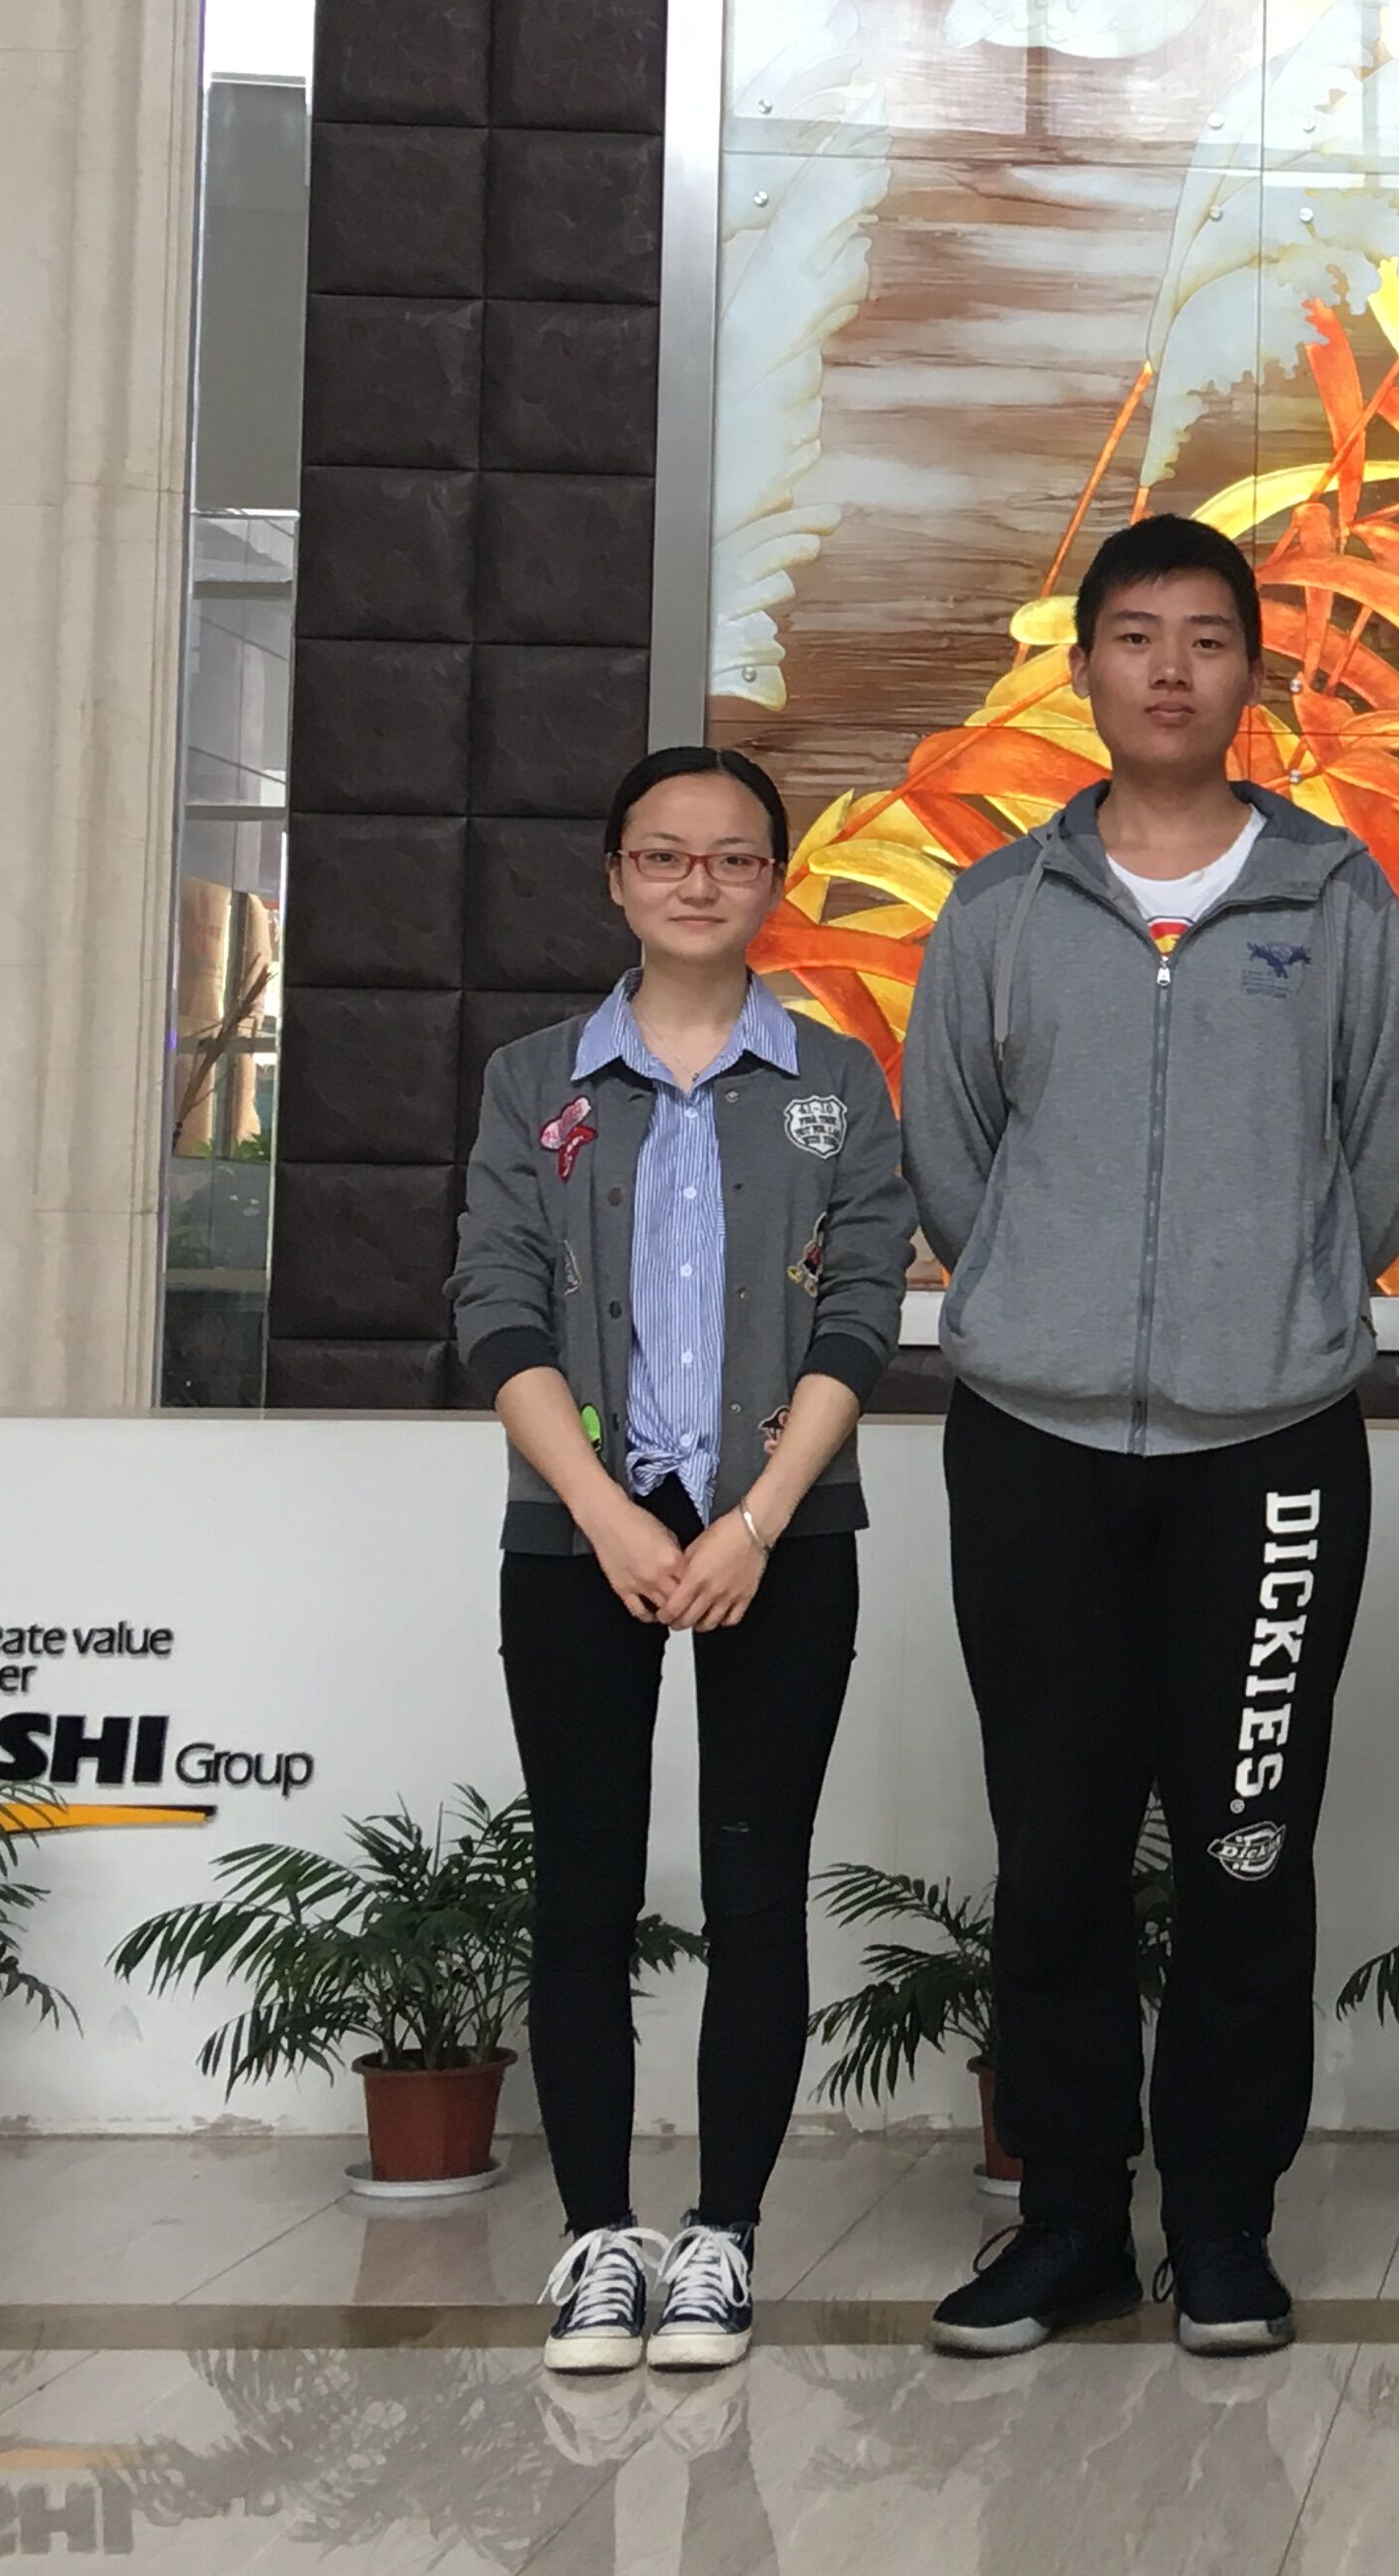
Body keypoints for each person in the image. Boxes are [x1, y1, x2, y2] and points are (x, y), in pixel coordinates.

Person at [899, 514, 1399, 2358]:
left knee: (1245, 1849)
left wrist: (1269, 1303)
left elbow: (1385, 1158)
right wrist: (1054, 1306)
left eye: (1207, 639)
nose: (1170, 671)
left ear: (1249, 674)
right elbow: (954, 1161)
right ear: (1086, 669)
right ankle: (1065, 2224)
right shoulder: (1000, 906)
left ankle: (1221, 2225)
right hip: (1033, 1445)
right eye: (1135, 637)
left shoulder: (1334, 899)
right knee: (1053, 1852)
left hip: (1270, 1451)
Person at [452, 744, 913, 2377]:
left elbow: (863, 1313)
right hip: (581, 1527)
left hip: (779, 1531)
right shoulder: (536, 1081)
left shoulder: (836, 1081)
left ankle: (722, 2235)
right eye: (664, 855)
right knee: (580, 1885)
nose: (697, 882)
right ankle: (595, 2239)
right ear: (616, 877)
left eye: (732, 857)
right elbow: (495, 1306)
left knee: (757, 1886)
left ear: (774, 880)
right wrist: (603, 1511)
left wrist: (757, 1520)